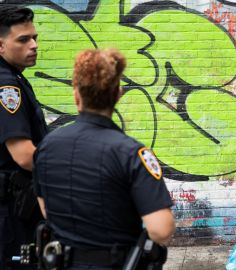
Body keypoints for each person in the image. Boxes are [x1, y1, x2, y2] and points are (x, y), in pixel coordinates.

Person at [33, 48, 175, 269]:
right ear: (118, 94)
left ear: (76, 95)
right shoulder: (131, 153)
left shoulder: (46, 147)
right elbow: (161, 229)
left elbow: (46, 211)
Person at [0, 5, 47, 268]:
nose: (33, 45)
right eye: (23, 39)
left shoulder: (14, 78)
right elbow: (24, 155)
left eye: (34, 38)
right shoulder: (6, 85)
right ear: (1, 46)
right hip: (11, 214)